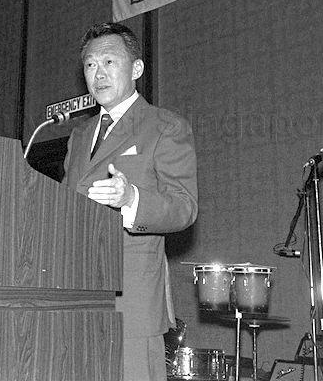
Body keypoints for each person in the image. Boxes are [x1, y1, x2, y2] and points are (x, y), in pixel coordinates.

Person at [62, 22, 198, 381]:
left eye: (109, 61)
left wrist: (131, 198)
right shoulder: (78, 136)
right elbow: (62, 203)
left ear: (136, 69)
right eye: (90, 65)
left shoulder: (164, 126)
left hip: (131, 299)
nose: (98, 73)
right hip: (75, 296)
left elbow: (183, 207)